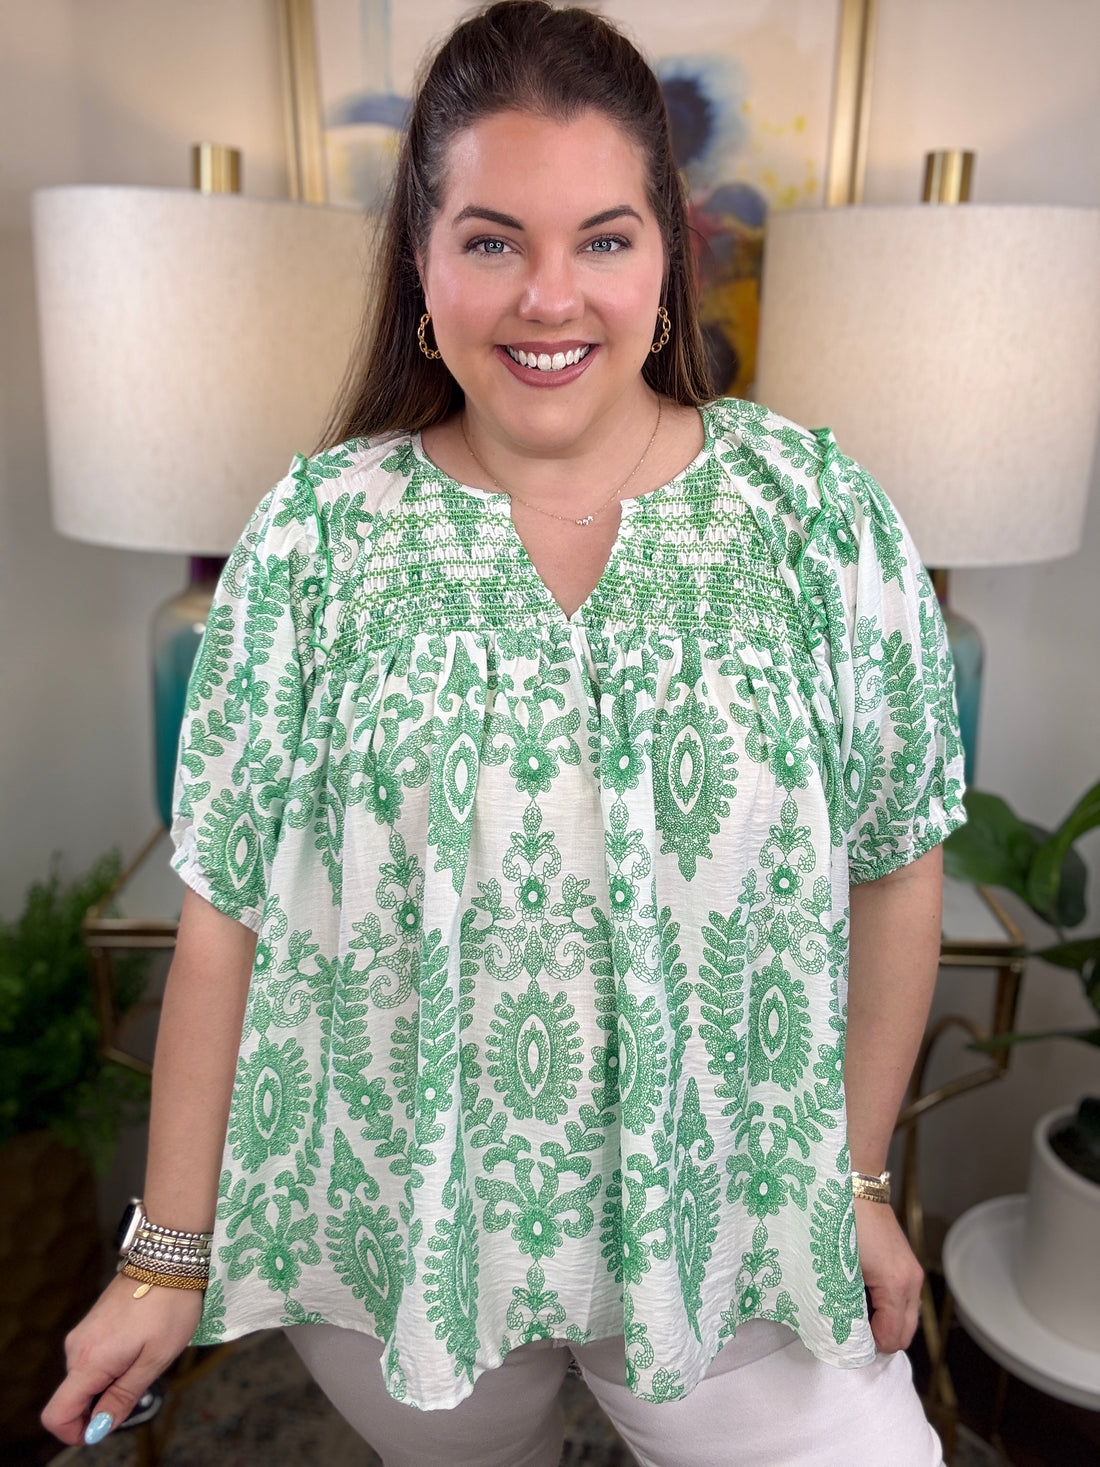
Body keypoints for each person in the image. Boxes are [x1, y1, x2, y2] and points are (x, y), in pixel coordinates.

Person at [43, 4, 965, 1463]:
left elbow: (900, 858)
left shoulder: (815, 519)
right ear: (421, 265)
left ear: (667, 257)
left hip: (730, 1231)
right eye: (491, 240)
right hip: (399, 1239)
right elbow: (222, 912)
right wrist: (165, 1253)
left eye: (604, 238)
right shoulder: (315, 543)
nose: (553, 296)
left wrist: (851, 1176)